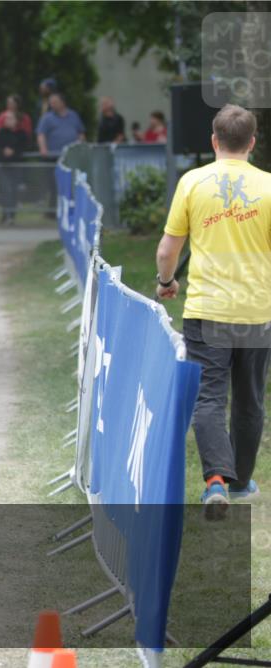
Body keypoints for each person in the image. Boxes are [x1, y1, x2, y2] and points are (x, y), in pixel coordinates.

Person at [155, 104, 271, 517]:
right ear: (252, 143)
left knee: (209, 398)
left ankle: (215, 482)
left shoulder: (193, 182)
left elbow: (169, 249)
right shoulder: (269, 186)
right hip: (257, 311)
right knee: (249, 400)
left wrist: (167, 281)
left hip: (208, 309)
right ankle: (239, 482)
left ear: (214, 140)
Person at [0, 110, 27, 226]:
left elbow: (24, 148)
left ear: (16, 121)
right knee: (5, 190)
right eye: (6, 119)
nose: (7, 121)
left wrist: (13, 152)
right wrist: (4, 152)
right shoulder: (1, 133)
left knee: (13, 191)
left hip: (16, 166)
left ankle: (11, 215)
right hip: (3, 166)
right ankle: (5, 214)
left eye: (10, 118)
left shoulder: (21, 134)